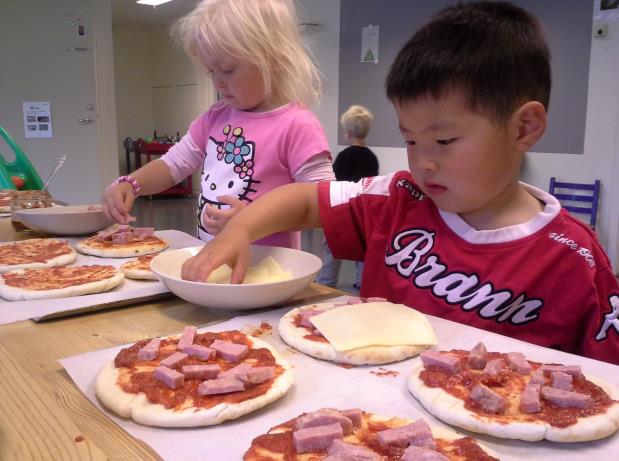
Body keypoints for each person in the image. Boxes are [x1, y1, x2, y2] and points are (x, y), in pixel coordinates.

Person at [180, 1, 619, 364]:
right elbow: (300, 200)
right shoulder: (397, 198)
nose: (423, 162)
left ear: (524, 128)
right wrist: (241, 228)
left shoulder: (575, 262)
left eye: (444, 140)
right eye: (409, 139)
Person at [101, 0, 334, 249]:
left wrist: (254, 221)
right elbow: (174, 163)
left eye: (227, 69)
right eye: (211, 72)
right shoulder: (216, 117)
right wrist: (131, 184)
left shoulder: (297, 125)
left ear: (273, 59)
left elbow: (322, 206)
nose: (218, 83)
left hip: (266, 272)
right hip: (212, 259)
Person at [316, 105, 379, 289]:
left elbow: (333, 186)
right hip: (362, 217)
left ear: (348, 133)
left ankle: (325, 287)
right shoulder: (371, 158)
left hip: (340, 215)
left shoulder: (344, 157)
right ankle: (362, 287)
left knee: (331, 257)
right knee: (363, 259)